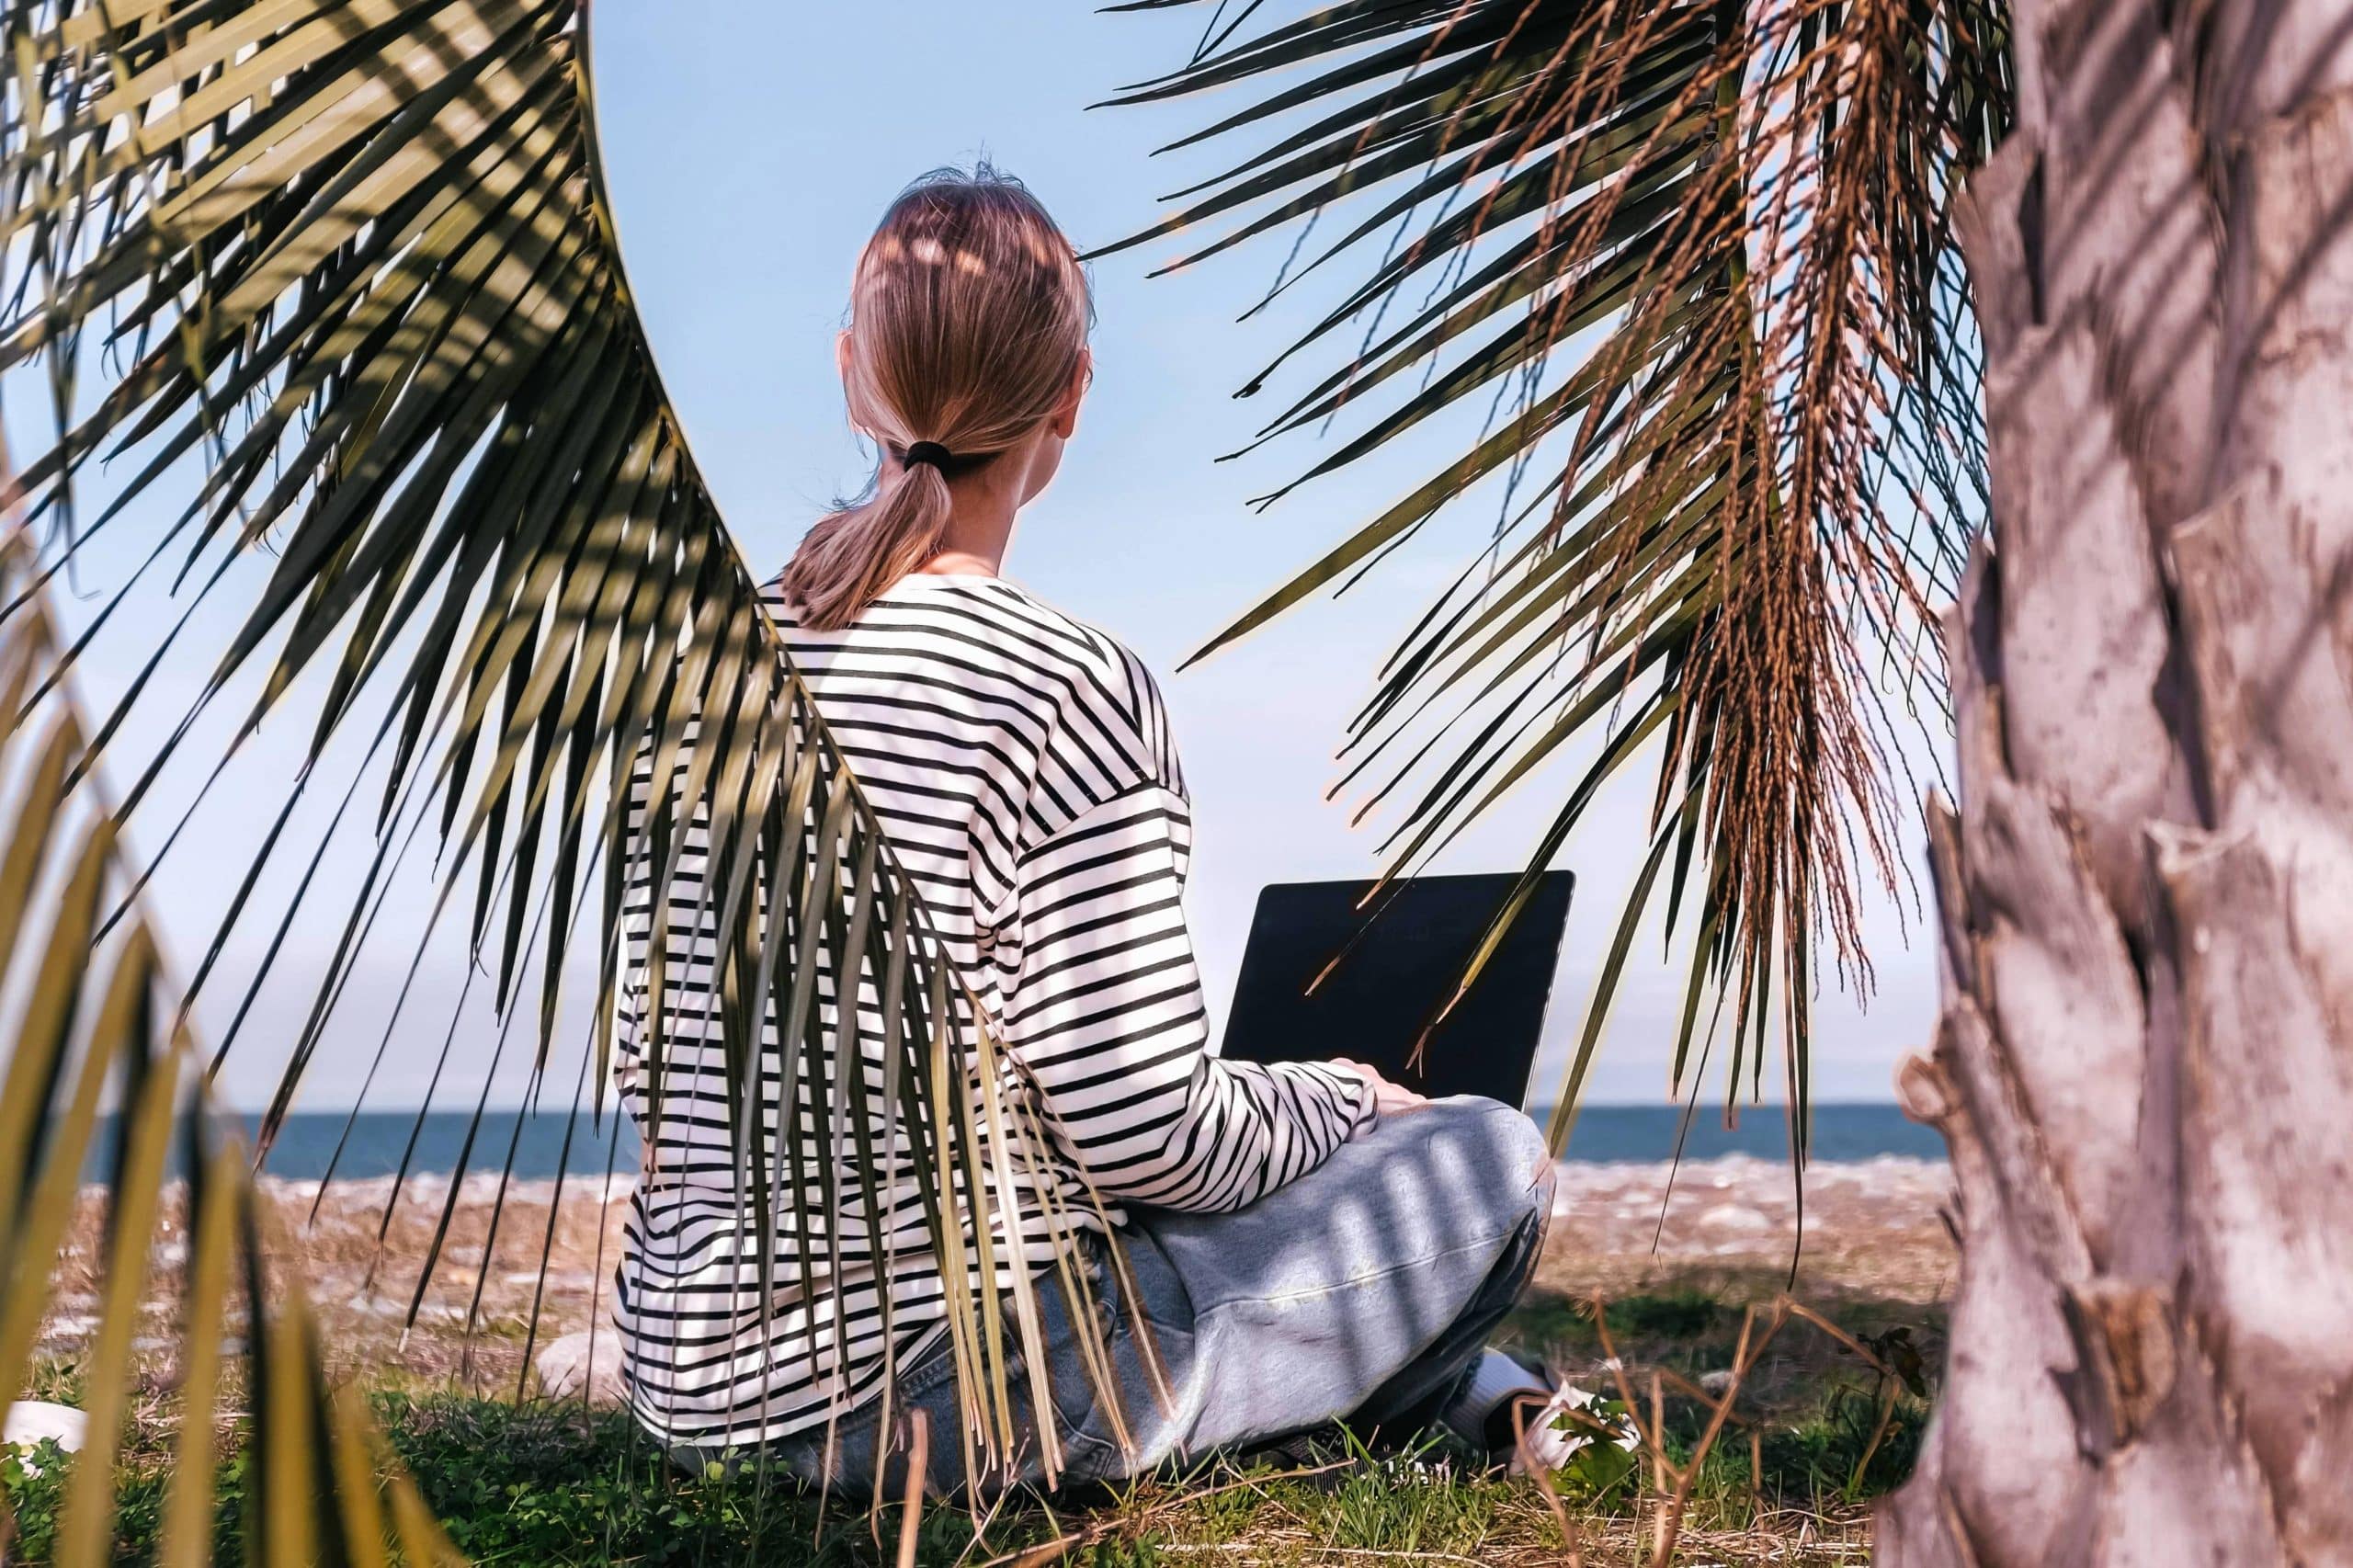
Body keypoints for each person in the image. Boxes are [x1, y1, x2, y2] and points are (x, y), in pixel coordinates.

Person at [604, 165, 1586, 1499]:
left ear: (852, 376)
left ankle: (1460, 1387)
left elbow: (659, 1066)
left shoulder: (697, 671)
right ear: (1069, 399)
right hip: (928, 1394)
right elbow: (1145, 1130)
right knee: (1491, 1158)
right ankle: (1446, 1386)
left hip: (692, 1381)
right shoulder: (1067, 684)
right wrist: (1351, 1095)